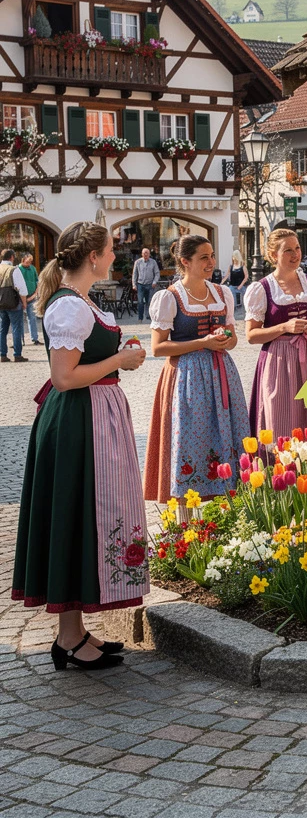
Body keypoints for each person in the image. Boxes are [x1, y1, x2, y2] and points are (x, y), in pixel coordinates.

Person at [11, 221, 147, 671]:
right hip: (77, 423)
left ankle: (73, 632)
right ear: (93, 257)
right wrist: (120, 359)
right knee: (74, 514)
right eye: (111, 251)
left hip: (95, 418)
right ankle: (68, 639)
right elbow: (64, 378)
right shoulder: (69, 307)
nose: (114, 257)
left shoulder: (82, 302)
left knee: (85, 515)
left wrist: (115, 358)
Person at [143, 235, 248, 502]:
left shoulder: (222, 293)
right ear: (184, 262)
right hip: (186, 379)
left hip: (221, 374)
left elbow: (234, 340)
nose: (211, 262)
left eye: (212, 256)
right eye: (204, 257)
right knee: (190, 441)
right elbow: (158, 348)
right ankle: (187, 513)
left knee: (224, 435)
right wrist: (202, 342)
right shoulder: (170, 297)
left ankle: (224, 506)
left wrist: (224, 340)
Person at [245, 228, 307, 436]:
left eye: (297, 248)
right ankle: (283, 467)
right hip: (279, 361)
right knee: (281, 420)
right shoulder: (262, 289)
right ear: (274, 255)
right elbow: (251, 335)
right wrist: (283, 327)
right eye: (288, 250)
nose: (295, 254)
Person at [0, 248, 29, 362]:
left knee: (2, 329)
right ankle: (17, 354)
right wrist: (24, 302)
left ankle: (2, 354)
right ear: (11, 257)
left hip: (1, 302)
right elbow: (21, 288)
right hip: (13, 302)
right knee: (16, 328)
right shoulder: (14, 270)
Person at [132, 247, 160, 323]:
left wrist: (154, 282)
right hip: (140, 284)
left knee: (149, 301)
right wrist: (134, 284)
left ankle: (148, 316)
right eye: (144, 253)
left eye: (147, 253)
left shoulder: (153, 262)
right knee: (140, 301)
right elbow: (135, 274)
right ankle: (140, 318)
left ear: (149, 254)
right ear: (142, 254)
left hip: (150, 284)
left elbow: (157, 273)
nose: (145, 254)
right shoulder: (138, 262)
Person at [20, 253, 40, 345]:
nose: (29, 264)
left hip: (31, 295)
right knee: (19, 319)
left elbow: (37, 281)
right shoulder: (18, 269)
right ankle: (20, 339)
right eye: (28, 262)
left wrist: (35, 293)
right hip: (21, 297)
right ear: (23, 260)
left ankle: (34, 338)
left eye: (30, 262)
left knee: (32, 318)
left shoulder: (33, 269)